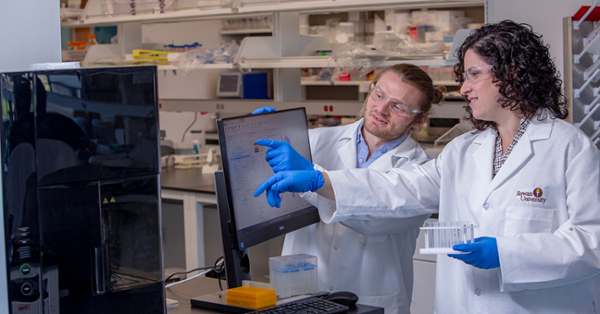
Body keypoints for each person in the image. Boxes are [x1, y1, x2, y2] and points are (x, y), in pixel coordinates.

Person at [254, 20, 600, 313]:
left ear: (510, 73)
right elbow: (401, 189)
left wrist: (507, 254)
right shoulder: (464, 150)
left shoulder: (570, 148)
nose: (463, 88)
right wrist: (320, 180)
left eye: (474, 74)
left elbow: (593, 241)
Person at [253, 63, 444, 314]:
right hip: (303, 290)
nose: (381, 109)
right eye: (379, 94)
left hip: (371, 298)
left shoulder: (419, 173)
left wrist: (315, 176)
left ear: (419, 119)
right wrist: (255, 139)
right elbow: (253, 180)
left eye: (398, 106)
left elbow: (371, 218)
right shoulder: (314, 141)